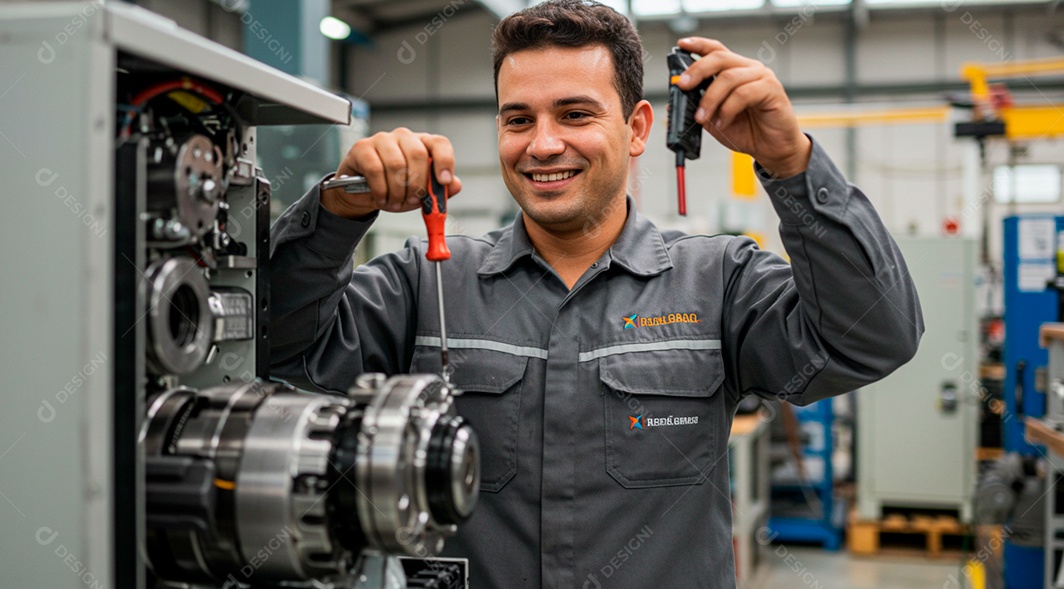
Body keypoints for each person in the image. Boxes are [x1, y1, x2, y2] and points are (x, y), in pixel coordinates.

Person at [269, 0, 923, 586]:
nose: (543, 144)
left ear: (638, 128)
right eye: (518, 118)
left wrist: (791, 163)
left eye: (575, 114)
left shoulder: (718, 282)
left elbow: (872, 336)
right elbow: (276, 344)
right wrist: (336, 208)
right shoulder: (427, 281)